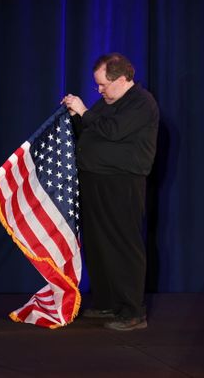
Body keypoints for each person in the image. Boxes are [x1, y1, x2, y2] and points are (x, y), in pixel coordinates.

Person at [61, 53, 159, 331]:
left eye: (103, 85)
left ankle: (132, 311)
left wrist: (84, 112)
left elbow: (113, 131)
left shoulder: (141, 103)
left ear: (123, 79)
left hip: (122, 183)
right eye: (98, 86)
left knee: (122, 244)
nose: (100, 90)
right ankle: (106, 301)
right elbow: (93, 130)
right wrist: (76, 117)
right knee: (96, 244)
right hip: (95, 181)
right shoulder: (106, 103)